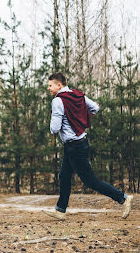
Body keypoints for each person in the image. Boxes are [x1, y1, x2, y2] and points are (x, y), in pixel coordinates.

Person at [42, 72, 133, 220]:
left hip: (74, 146)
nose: (48, 88)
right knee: (64, 175)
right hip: (80, 142)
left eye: (50, 85)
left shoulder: (58, 101)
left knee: (90, 181)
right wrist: (80, 120)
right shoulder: (77, 95)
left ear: (59, 85)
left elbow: (54, 128)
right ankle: (60, 210)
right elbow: (95, 108)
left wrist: (59, 121)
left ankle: (123, 198)